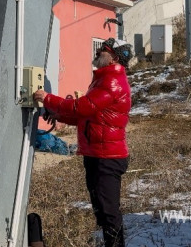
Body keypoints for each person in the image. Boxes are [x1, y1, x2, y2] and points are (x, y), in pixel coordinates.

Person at [34, 37, 133, 247]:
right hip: (96, 153)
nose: (98, 53)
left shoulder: (112, 81)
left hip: (108, 157)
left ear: (114, 57)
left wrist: (48, 98)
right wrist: (58, 115)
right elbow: (87, 116)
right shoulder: (103, 78)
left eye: (103, 50)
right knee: (102, 209)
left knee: (109, 212)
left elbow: (82, 107)